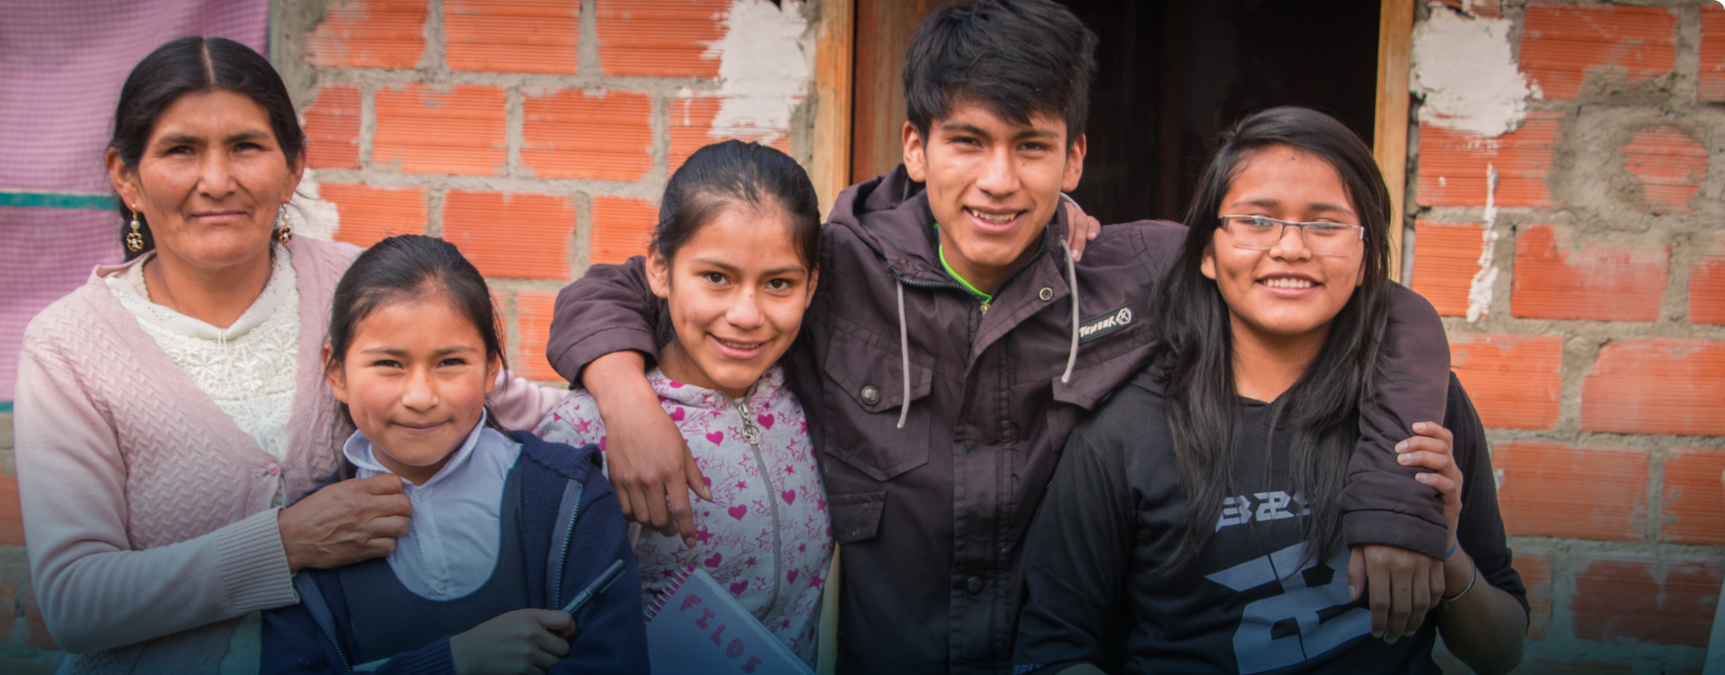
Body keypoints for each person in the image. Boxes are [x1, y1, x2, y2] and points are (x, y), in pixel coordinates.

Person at [544, 1, 1458, 672]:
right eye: (968, 141)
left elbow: (1381, 307)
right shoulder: (835, 266)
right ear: (915, 147)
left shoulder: (1135, 272)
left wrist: (1395, 502)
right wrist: (626, 398)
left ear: (1074, 158)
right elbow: (621, 286)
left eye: (1031, 146)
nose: (998, 180)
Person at [14, 37, 558, 674]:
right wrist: (285, 543)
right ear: (125, 176)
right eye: (181, 150)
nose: (217, 181)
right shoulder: (69, 346)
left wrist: (625, 390)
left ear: (294, 165)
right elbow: (76, 602)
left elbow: (523, 409)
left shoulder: (358, 289)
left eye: (245, 146)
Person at [1013, 107, 1529, 675]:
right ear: (1207, 253)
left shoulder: (1423, 411)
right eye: (1257, 221)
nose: (1290, 248)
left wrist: (1444, 546)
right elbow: (1054, 650)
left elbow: (1502, 652)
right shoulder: (1126, 427)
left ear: (1365, 259)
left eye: (1326, 225)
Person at [260, 235, 645, 674]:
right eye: (389, 364)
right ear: (336, 373)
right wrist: (454, 661)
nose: (421, 397)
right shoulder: (311, 538)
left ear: (491, 369)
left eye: (450, 363)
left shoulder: (569, 496)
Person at [534, 140, 832, 665]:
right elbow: (537, 620)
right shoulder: (587, 432)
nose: (746, 314)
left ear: (811, 287)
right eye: (716, 278)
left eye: (779, 283)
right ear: (660, 269)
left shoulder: (814, 393)